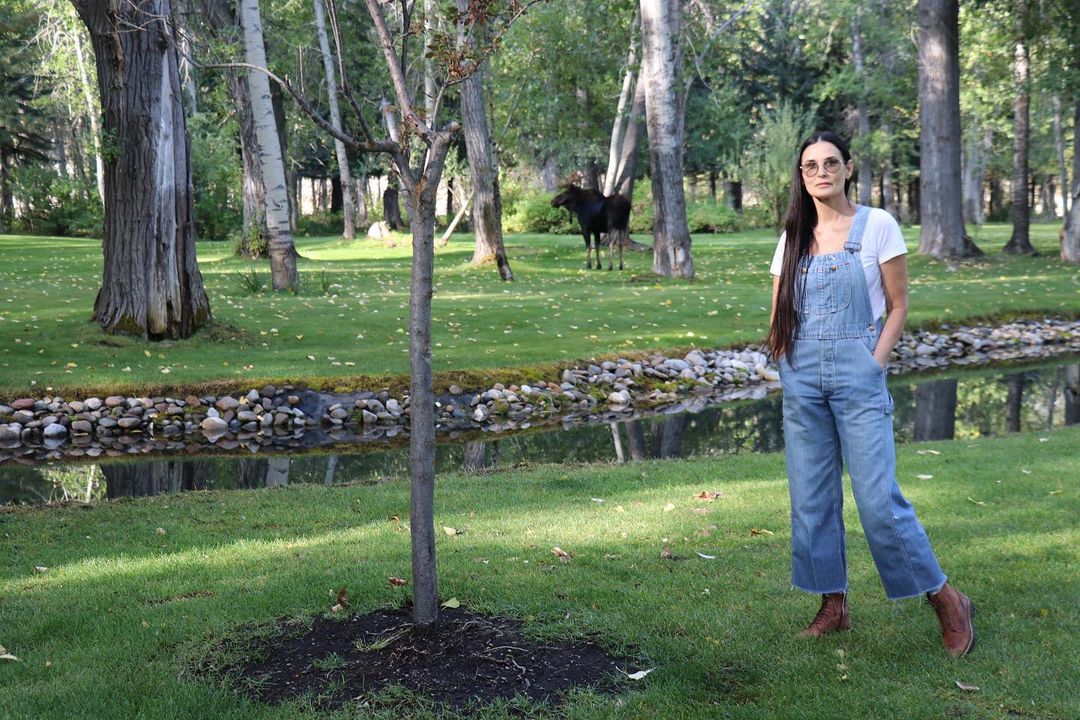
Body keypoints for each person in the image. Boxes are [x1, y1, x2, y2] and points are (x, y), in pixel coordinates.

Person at [765, 131, 975, 657]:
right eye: (810, 165)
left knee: (879, 502)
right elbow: (778, 308)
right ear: (802, 175)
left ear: (848, 168)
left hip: (858, 375)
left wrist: (873, 363)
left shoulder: (877, 224)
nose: (820, 171)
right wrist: (784, 361)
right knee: (811, 501)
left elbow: (898, 305)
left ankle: (946, 598)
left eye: (830, 162)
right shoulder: (794, 234)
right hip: (803, 379)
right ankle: (833, 606)